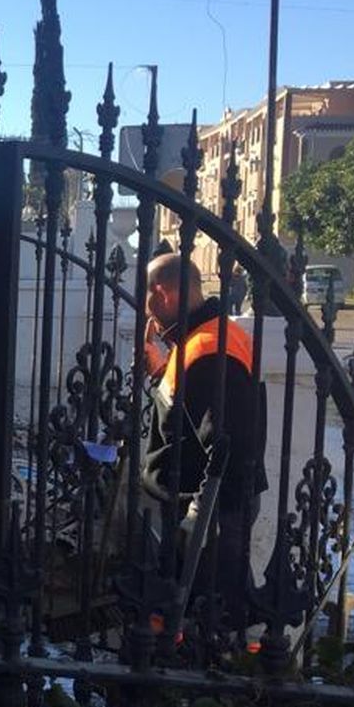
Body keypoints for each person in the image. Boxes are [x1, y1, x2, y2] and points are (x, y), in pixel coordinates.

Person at [140, 252, 264, 632]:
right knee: (202, 606)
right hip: (205, 503)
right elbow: (193, 410)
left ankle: (214, 678)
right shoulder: (202, 337)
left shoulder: (209, 348)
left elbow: (228, 443)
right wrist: (159, 368)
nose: (147, 307)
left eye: (148, 297)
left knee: (211, 612)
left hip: (211, 509)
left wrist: (200, 517)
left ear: (162, 293)